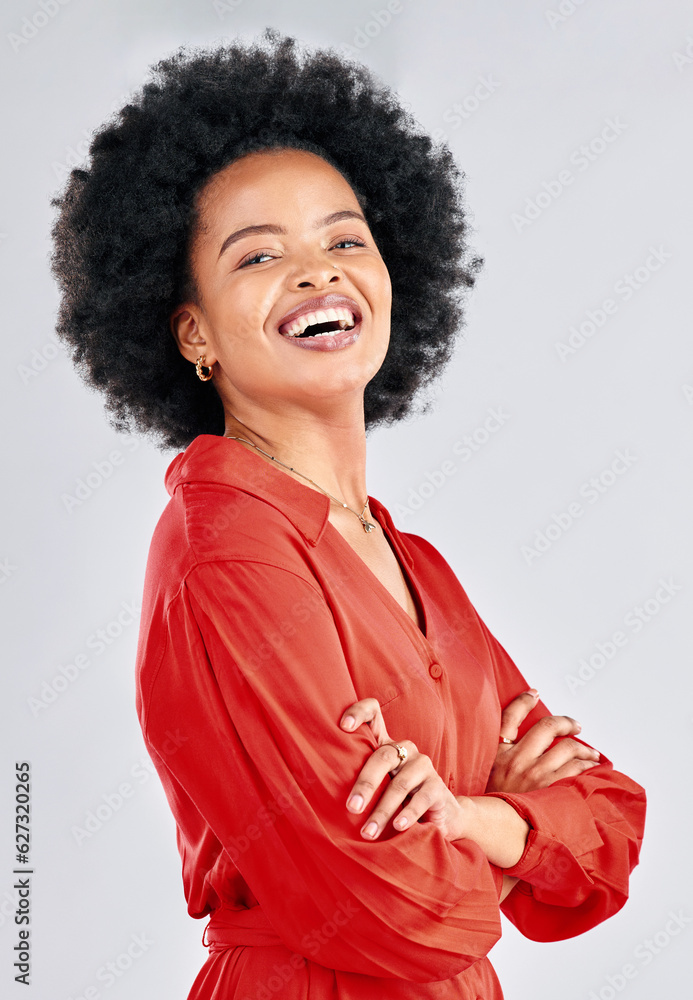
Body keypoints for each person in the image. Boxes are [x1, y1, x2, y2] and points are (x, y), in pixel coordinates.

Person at [50, 30, 646, 1000]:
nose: (319, 272)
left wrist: (468, 819)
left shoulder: (416, 563)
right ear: (192, 331)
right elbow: (397, 908)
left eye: (344, 239)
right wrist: (512, 822)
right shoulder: (226, 551)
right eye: (257, 256)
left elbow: (613, 829)